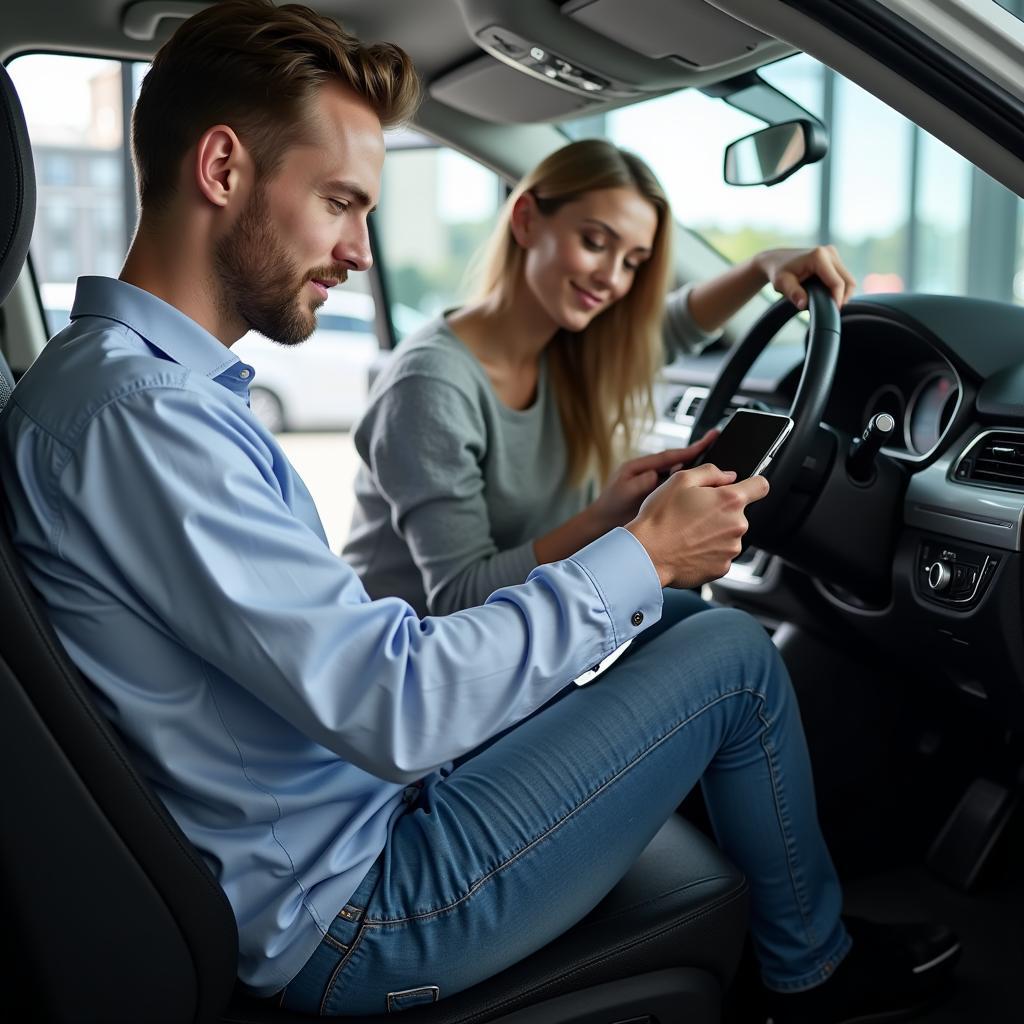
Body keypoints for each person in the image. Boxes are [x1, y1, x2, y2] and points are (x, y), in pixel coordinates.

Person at [0, 2, 957, 1022]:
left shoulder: (123, 390)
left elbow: (361, 680)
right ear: (224, 170)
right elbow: (397, 704)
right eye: (339, 201)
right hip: (361, 905)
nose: (359, 252)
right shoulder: (143, 419)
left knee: (677, 624)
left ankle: (796, 942)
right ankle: (808, 974)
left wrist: (632, 555)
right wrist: (639, 550)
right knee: (728, 657)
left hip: (345, 820)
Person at [342, 139, 858, 619]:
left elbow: (678, 322)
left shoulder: (575, 346)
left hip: (530, 643)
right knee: (727, 635)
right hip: (420, 679)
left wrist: (762, 266)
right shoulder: (431, 385)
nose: (612, 279)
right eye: (594, 242)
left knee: (701, 621)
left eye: (633, 262)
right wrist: (613, 523)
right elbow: (459, 598)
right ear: (526, 220)